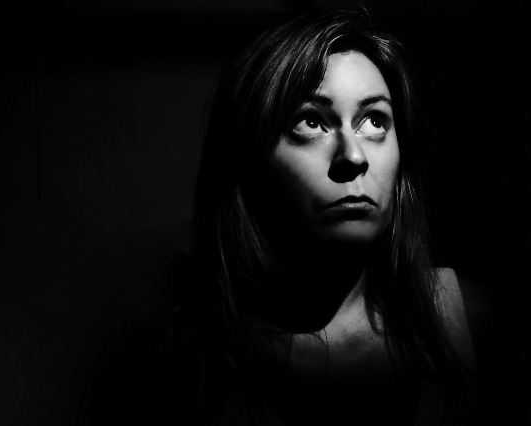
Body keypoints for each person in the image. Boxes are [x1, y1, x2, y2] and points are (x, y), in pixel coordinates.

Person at [168, 9, 478, 425]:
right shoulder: (183, 348)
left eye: (374, 121)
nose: (353, 156)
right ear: (247, 155)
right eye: (311, 121)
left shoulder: (467, 321)